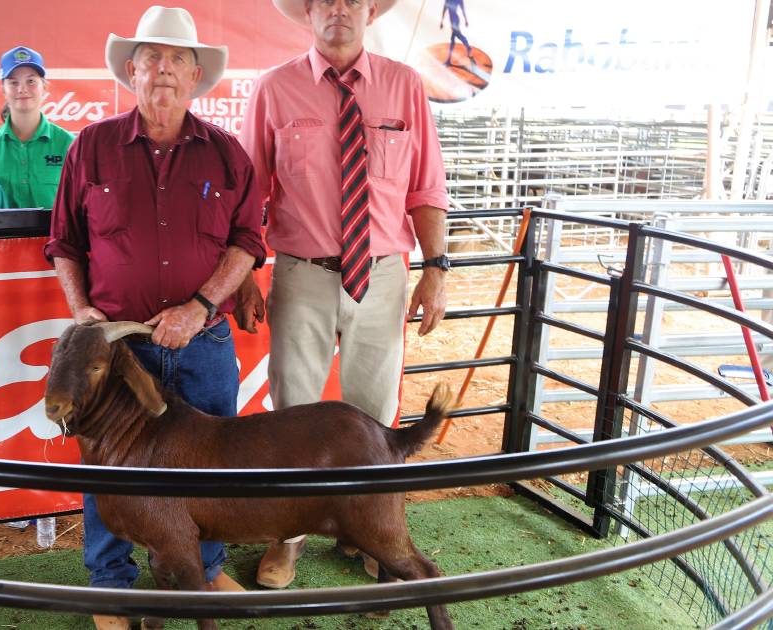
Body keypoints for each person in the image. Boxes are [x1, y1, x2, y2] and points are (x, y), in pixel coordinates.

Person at [44, 6, 265, 629]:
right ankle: (111, 588)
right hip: (119, 350)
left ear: (195, 76)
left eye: (175, 60)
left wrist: (201, 305)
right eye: (151, 59)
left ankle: (208, 566)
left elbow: (248, 239)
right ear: (131, 72)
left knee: (212, 462)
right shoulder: (91, 146)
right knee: (108, 467)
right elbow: (64, 242)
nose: (163, 70)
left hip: (205, 340)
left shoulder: (227, 154)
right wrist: (83, 312)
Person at [239, 0, 450, 589]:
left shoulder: (404, 86)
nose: (338, 8)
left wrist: (436, 268)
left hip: (382, 272)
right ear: (307, 13)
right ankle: (288, 537)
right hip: (301, 271)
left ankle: (374, 534)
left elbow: (426, 183)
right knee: (293, 416)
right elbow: (250, 194)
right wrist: (245, 277)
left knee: (376, 417)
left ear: (369, 11)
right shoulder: (273, 89)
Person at [0, 46, 75, 209]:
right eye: (13, 82)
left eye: (31, 81)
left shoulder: (70, 145)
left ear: (45, 87)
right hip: (2, 235)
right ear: (3, 90)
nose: (22, 89)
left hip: (57, 235)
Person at [440, 0, 472, 66]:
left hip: (455, 20)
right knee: (454, 38)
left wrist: (466, 20)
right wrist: (442, 21)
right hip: (452, 21)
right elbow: (444, 9)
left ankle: (449, 60)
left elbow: (463, 9)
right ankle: (468, 47)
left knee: (456, 37)